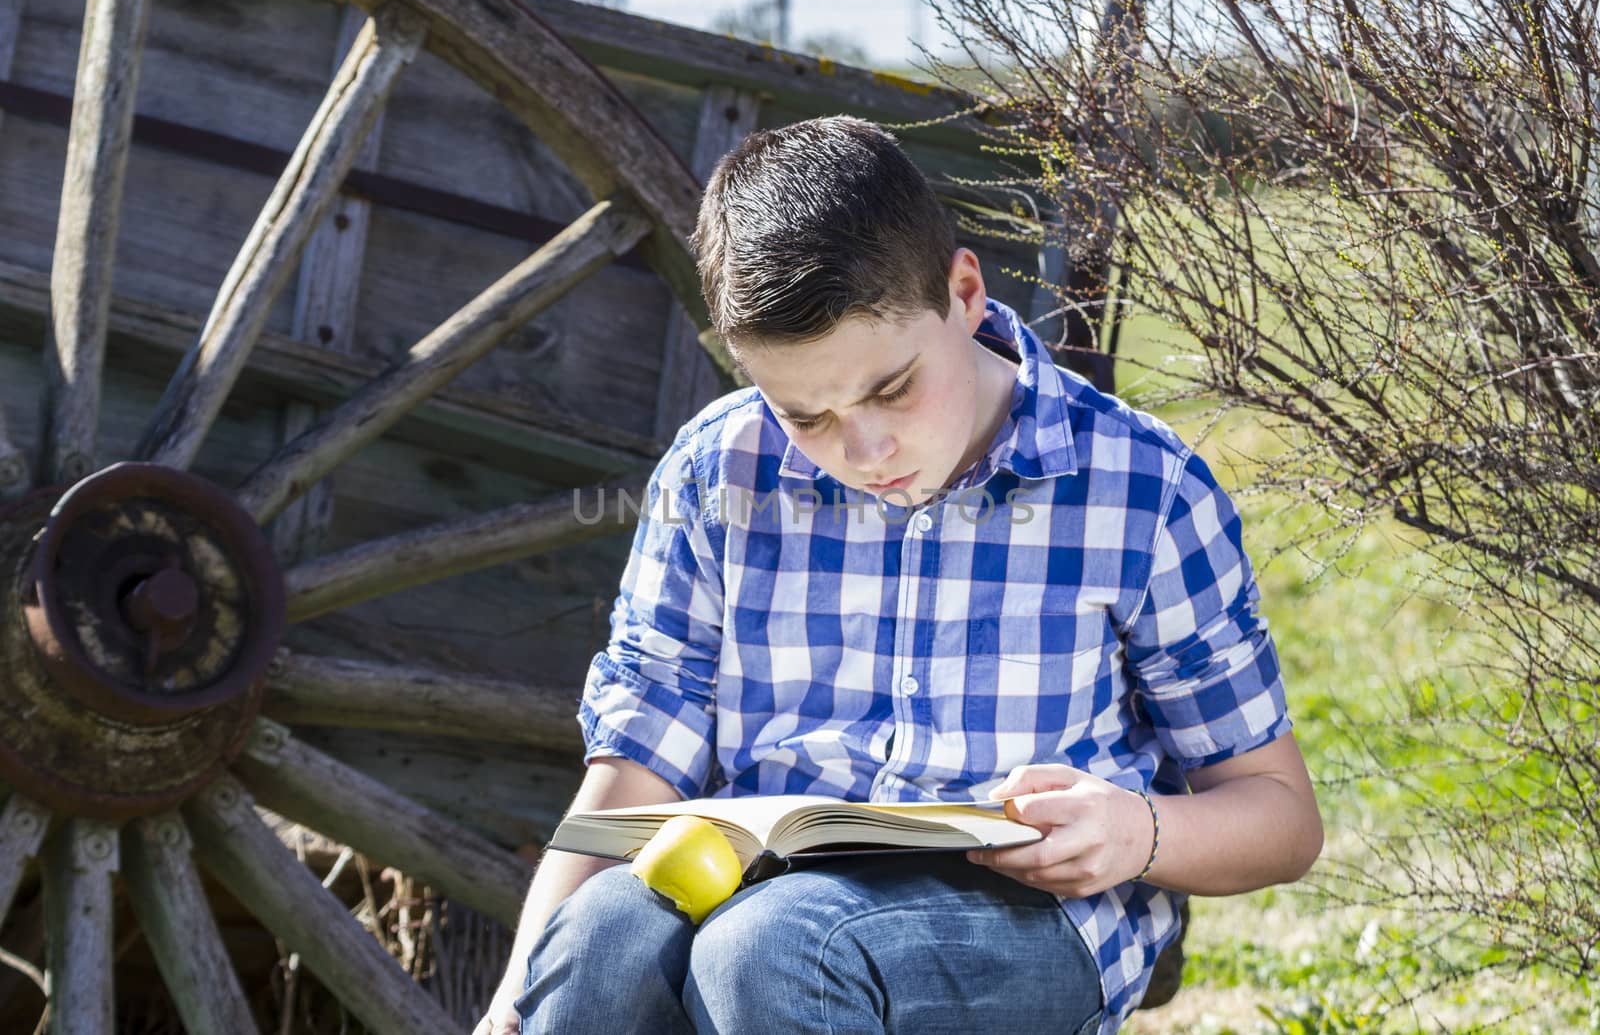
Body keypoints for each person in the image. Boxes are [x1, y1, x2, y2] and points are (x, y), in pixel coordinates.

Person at [475, 115, 1323, 1035]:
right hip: (761, 885)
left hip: (1029, 927)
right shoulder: (716, 470)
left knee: (772, 948)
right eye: (807, 415)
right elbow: (632, 773)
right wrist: (513, 1003)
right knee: (602, 928)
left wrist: (1136, 831)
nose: (865, 450)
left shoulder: (1139, 485)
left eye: (891, 390)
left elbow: (1281, 818)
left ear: (964, 292)